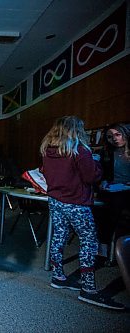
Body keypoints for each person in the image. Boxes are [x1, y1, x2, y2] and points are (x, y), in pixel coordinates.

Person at [40, 116, 124, 310]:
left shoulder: (47, 149)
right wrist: (97, 164)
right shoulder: (79, 150)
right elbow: (91, 176)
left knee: (58, 236)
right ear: (76, 130)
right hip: (76, 203)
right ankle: (88, 289)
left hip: (55, 201)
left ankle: (58, 276)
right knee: (89, 241)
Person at [97, 123, 130, 257]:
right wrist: (103, 182)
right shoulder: (107, 152)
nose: (114, 139)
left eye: (118, 135)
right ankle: (103, 246)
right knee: (98, 205)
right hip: (111, 189)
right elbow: (103, 174)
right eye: (110, 137)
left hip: (126, 190)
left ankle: (108, 246)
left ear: (125, 134)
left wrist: (126, 186)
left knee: (114, 204)